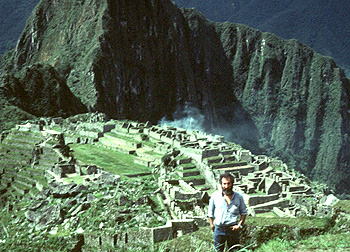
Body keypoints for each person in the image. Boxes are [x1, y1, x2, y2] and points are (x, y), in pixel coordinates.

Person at [208, 173, 247, 251]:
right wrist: (212, 225)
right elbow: (210, 212)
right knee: (218, 250)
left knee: (234, 250)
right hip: (219, 229)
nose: (226, 186)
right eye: (224, 184)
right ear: (221, 184)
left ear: (232, 184)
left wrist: (239, 225)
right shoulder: (215, 196)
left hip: (233, 229)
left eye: (228, 183)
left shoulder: (239, 197)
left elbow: (243, 212)